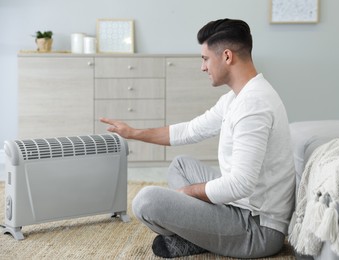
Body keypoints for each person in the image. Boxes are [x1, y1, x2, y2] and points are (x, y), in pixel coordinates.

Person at [100, 18, 295, 259]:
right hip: (240, 206)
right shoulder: (238, 97)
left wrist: (188, 193)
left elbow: (240, 184)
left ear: (226, 56)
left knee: (146, 201)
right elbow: (190, 130)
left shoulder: (253, 105)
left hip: (257, 229)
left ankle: (196, 238)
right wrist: (133, 133)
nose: (203, 67)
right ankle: (204, 233)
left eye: (205, 58)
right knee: (180, 165)